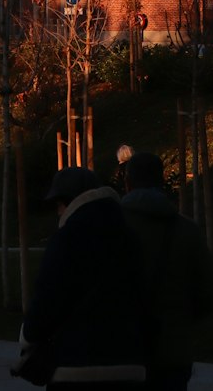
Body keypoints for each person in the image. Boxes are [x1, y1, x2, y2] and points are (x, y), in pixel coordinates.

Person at [15, 166, 147, 389]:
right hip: (129, 364)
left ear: (68, 201)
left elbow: (48, 297)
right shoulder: (131, 236)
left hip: (74, 366)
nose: (58, 212)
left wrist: (28, 336)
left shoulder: (67, 237)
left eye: (58, 205)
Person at [121, 152, 213, 391]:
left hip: (120, 351)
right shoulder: (187, 231)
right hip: (172, 353)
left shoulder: (107, 228)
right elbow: (208, 294)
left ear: (127, 182)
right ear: (162, 180)